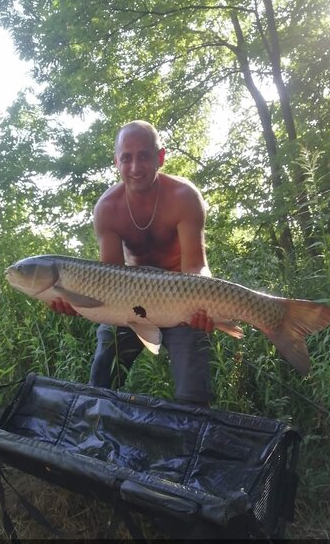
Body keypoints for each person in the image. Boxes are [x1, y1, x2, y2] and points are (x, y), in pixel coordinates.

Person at [52, 120, 213, 406]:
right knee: (101, 380)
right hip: (128, 300)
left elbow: (195, 267)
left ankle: (192, 426)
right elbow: (108, 280)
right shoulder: (107, 208)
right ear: (116, 161)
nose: (135, 167)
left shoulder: (184, 197)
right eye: (126, 158)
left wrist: (205, 304)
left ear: (160, 157)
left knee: (193, 395)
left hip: (181, 299)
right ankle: (100, 424)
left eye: (144, 156)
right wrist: (78, 304)